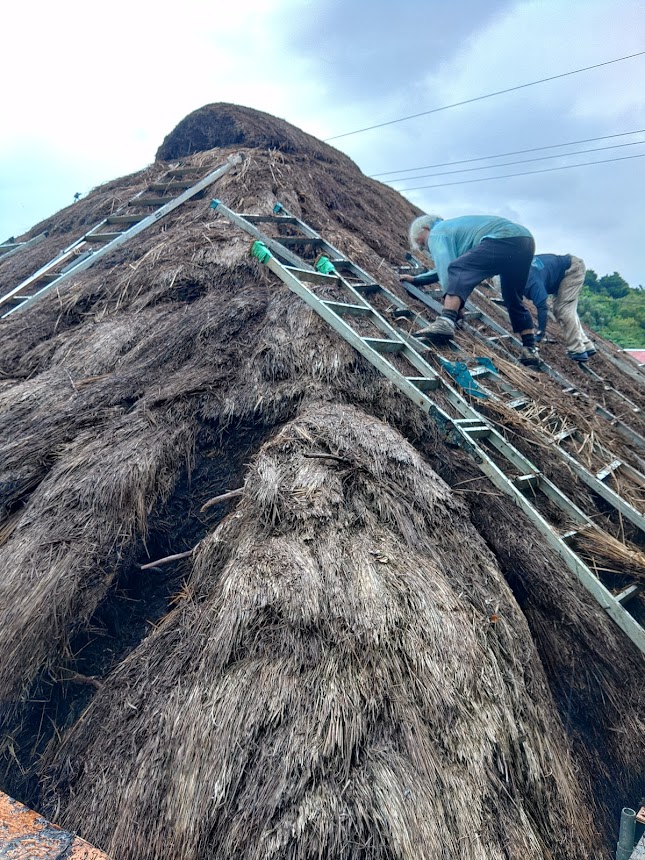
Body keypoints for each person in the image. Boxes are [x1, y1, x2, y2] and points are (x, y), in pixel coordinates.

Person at [401, 214, 539, 366]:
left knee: (457, 268)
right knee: (512, 296)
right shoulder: (454, 232)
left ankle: (445, 321)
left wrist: (453, 309)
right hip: (524, 241)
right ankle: (530, 348)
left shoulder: (437, 233)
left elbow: (449, 268)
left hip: (501, 238)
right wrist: (417, 280)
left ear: (426, 229)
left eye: (422, 244)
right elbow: (445, 267)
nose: (425, 248)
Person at [523, 253, 596, 363]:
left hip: (571, 270)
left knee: (563, 309)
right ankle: (586, 344)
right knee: (566, 309)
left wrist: (540, 332)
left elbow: (542, 307)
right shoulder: (523, 268)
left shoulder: (532, 281)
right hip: (565, 270)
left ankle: (577, 350)